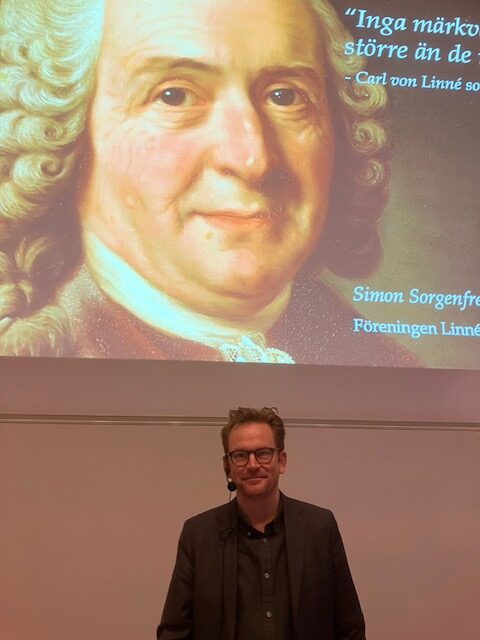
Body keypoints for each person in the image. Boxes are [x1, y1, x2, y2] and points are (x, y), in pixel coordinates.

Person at [0, 0, 414, 365]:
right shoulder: (36, 361)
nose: (252, 159)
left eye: (285, 97)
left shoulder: (388, 366)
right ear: (65, 133)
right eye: (174, 96)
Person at [157, 406, 366, 639]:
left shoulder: (320, 527)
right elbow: (174, 632)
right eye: (240, 455)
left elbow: (350, 629)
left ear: (281, 461)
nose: (253, 464)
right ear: (227, 466)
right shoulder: (198, 535)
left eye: (263, 453)